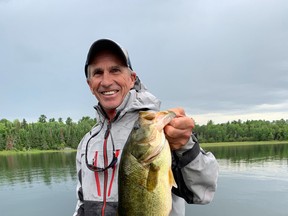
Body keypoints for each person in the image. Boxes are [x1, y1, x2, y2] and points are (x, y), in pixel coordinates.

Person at [73, 39, 219, 216]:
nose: (106, 81)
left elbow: (202, 193)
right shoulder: (87, 143)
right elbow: (81, 204)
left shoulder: (163, 131)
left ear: (132, 78)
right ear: (90, 85)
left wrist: (186, 146)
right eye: (98, 72)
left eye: (115, 70)